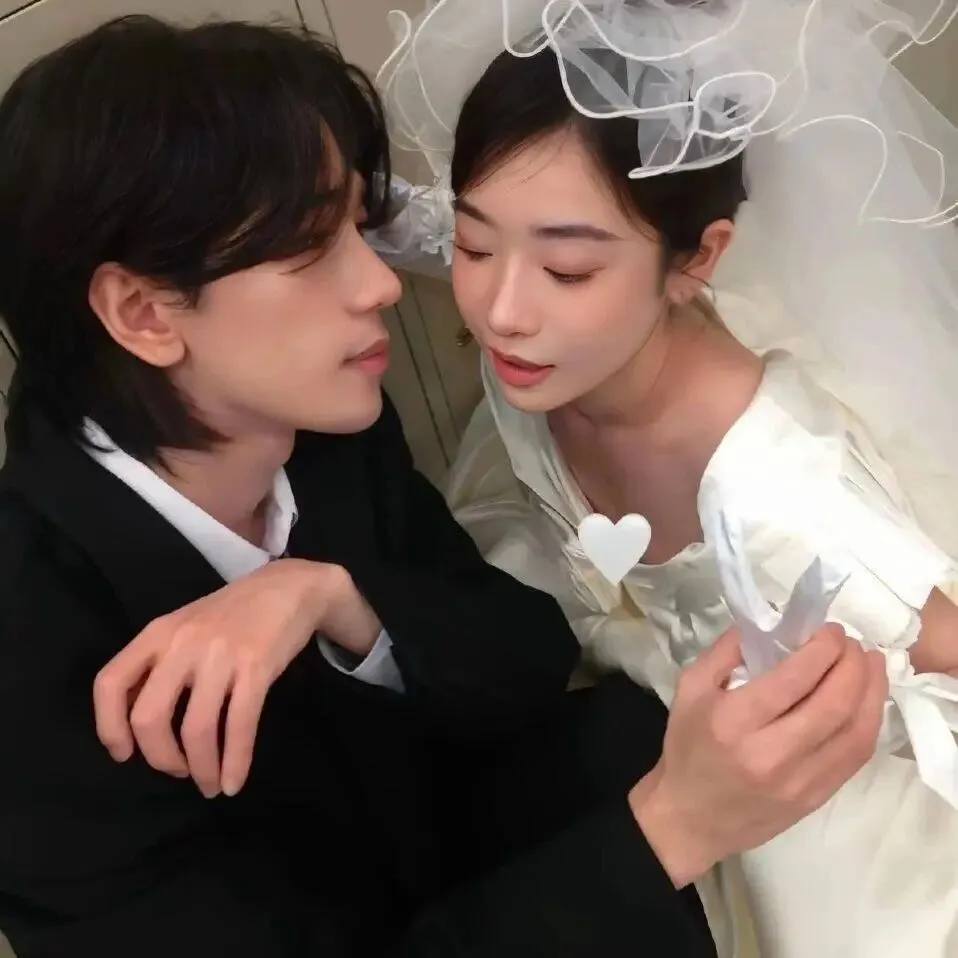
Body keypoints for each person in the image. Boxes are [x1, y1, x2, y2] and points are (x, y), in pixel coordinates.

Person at [0, 14, 887, 958]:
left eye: (358, 225)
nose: (382, 285)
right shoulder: (31, 655)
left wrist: (334, 601)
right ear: (143, 313)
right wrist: (675, 825)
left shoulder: (318, 428)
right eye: (310, 250)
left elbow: (521, 657)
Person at [368, 1, 958, 957]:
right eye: (475, 247)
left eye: (567, 270)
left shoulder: (774, 486)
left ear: (698, 259)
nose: (502, 310)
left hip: (799, 818)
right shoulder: (553, 349)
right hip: (630, 756)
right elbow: (426, 228)